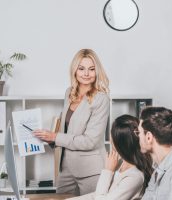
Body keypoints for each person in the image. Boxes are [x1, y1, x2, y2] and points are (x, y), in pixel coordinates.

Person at [33, 49, 110, 196]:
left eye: (91, 69)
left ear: (97, 71)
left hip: (91, 170)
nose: (86, 74)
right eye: (81, 69)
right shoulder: (69, 93)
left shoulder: (101, 99)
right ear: (74, 70)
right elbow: (67, 129)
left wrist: (55, 137)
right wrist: (47, 137)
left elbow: (90, 141)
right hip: (66, 167)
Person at [69, 115, 153, 200]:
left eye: (112, 133)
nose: (110, 138)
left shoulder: (135, 177)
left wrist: (108, 171)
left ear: (119, 143)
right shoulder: (122, 164)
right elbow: (100, 194)